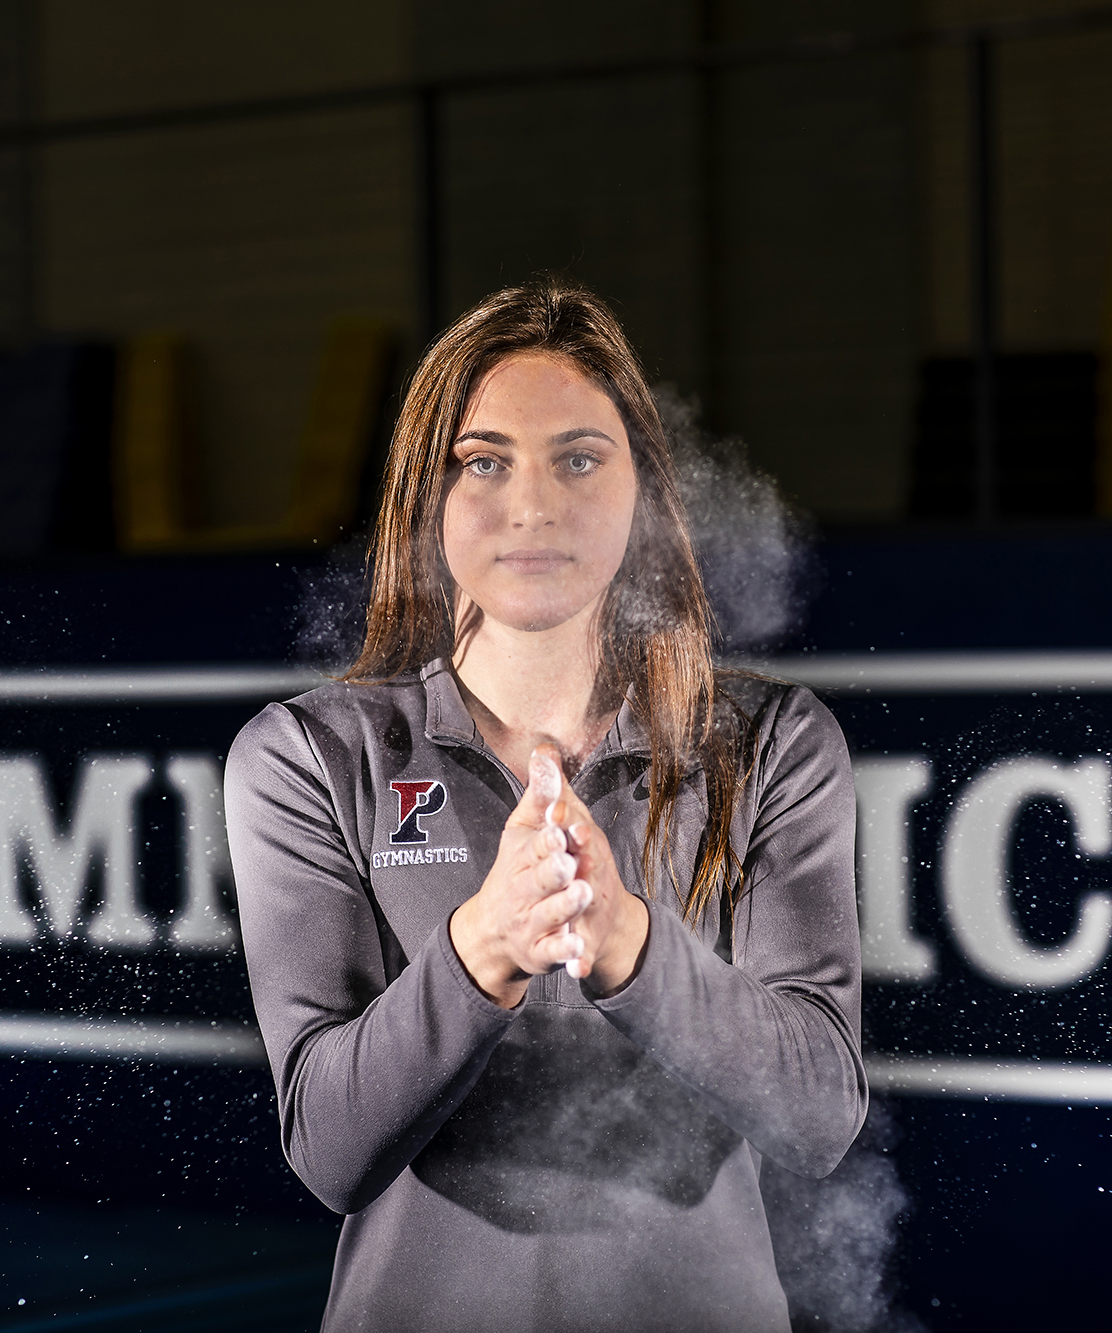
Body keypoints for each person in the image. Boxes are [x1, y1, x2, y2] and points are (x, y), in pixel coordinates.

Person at [225, 279, 865, 1332]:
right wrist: (485, 944)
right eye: (483, 461)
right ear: (426, 496)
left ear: (642, 490)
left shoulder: (767, 744)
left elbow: (818, 1116)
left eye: (577, 458)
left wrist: (625, 941)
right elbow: (330, 1150)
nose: (532, 505)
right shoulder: (309, 755)